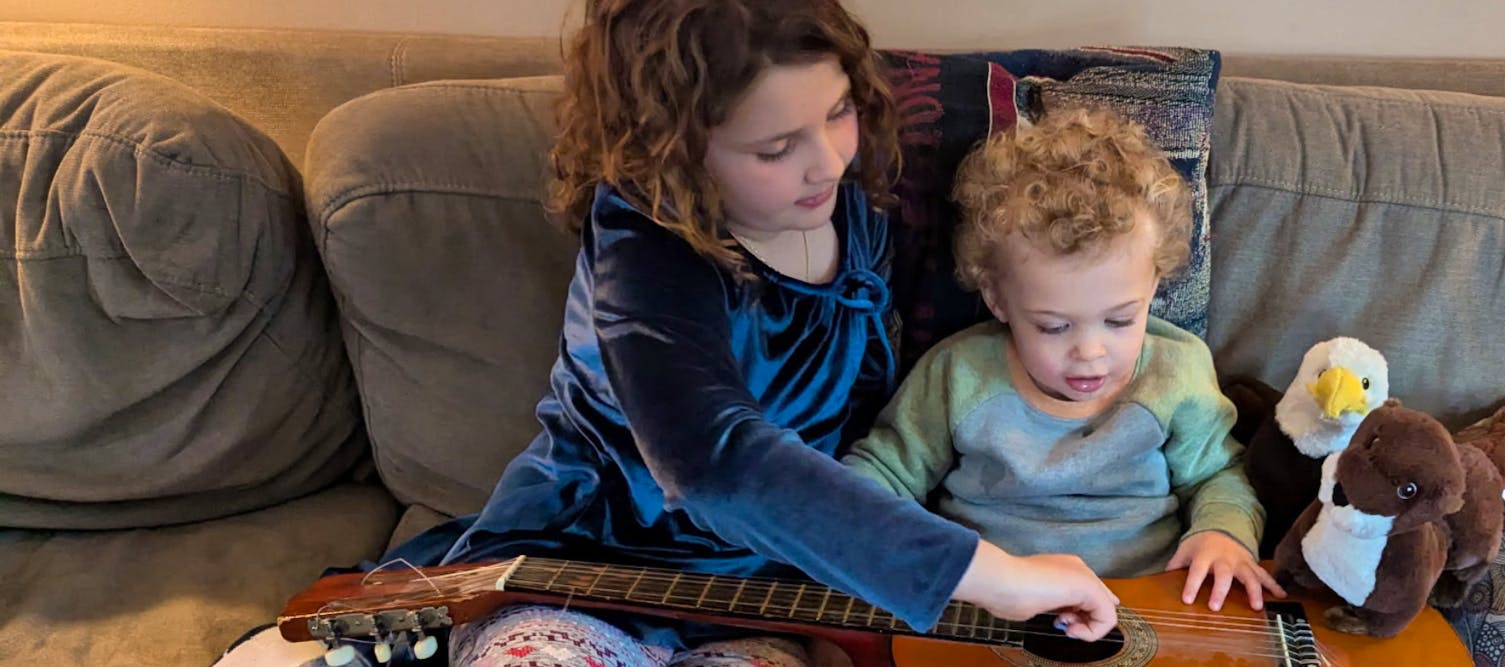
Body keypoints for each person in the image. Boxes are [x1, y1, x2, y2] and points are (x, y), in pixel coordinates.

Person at [214, 1, 1115, 665]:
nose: (828, 162)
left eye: (837, 112)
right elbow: (713, 457)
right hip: (590, 553)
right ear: (672, 152)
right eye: (774, 147)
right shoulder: (643, 237)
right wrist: (992, 574)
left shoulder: (858, 196)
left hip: (776, 582)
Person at [842, 107, 1284, 613]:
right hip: (991, 614)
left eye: (1119, 321)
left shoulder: (1175, 371)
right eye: (1053, 327)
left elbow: (1218, 476)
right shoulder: (959, 373)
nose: (1090, 354)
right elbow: (882, 474)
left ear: (1155, 284)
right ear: (997, 299)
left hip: (1144, 611)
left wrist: (1223, 534)